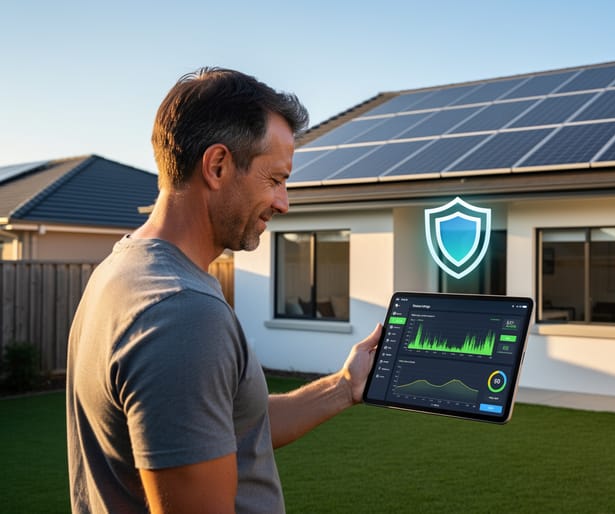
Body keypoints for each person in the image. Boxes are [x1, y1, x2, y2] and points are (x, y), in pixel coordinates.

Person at [65, 67, 382, 514]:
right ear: (217, 166)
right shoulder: (182, 314)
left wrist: (345, 387)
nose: (283, 202)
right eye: (274, 180)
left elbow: (231, 422)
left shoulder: (121, 271)